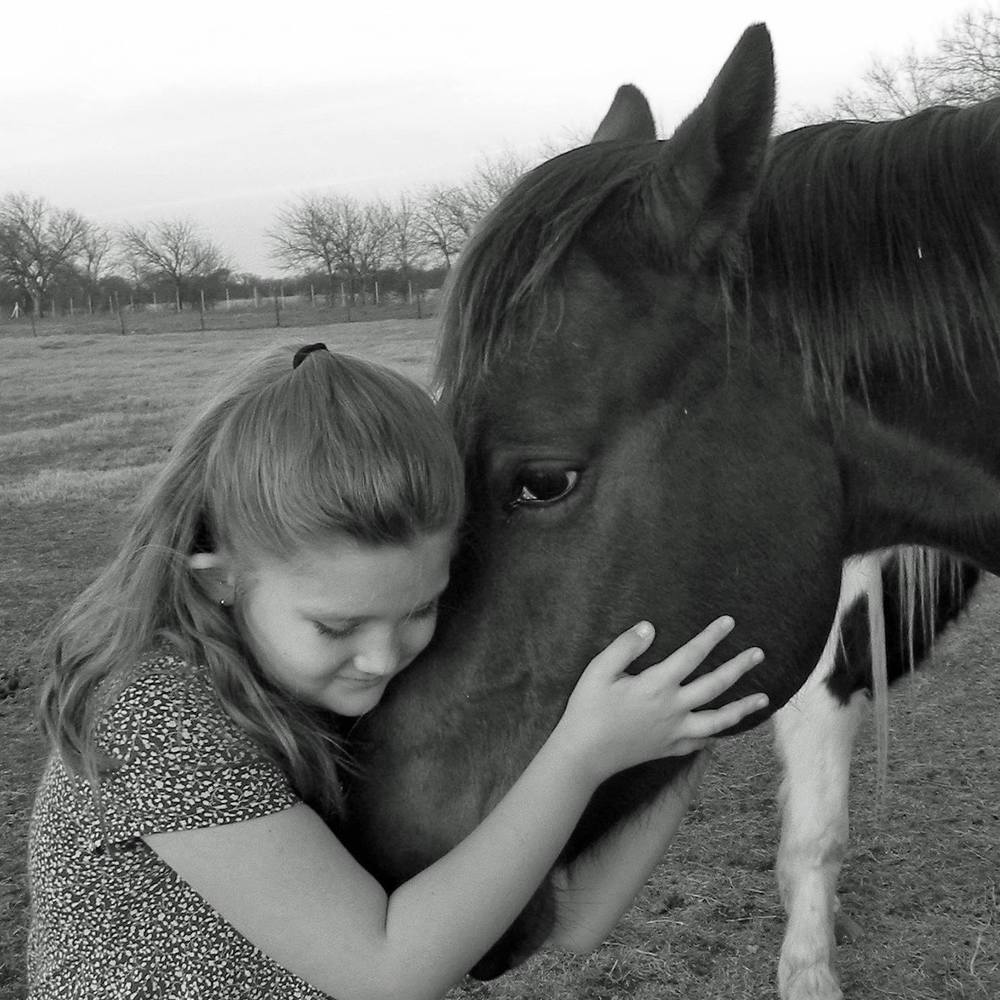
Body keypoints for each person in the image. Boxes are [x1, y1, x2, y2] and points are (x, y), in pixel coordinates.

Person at [27, 342, 769, 1000]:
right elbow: (383, 970)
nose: (383, 657)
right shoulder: (152, 709)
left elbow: (573, 914)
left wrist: (684, 726)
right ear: (218, 580)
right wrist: (577, 758)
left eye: (421, 608)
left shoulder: (342, 686)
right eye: (337, 625)